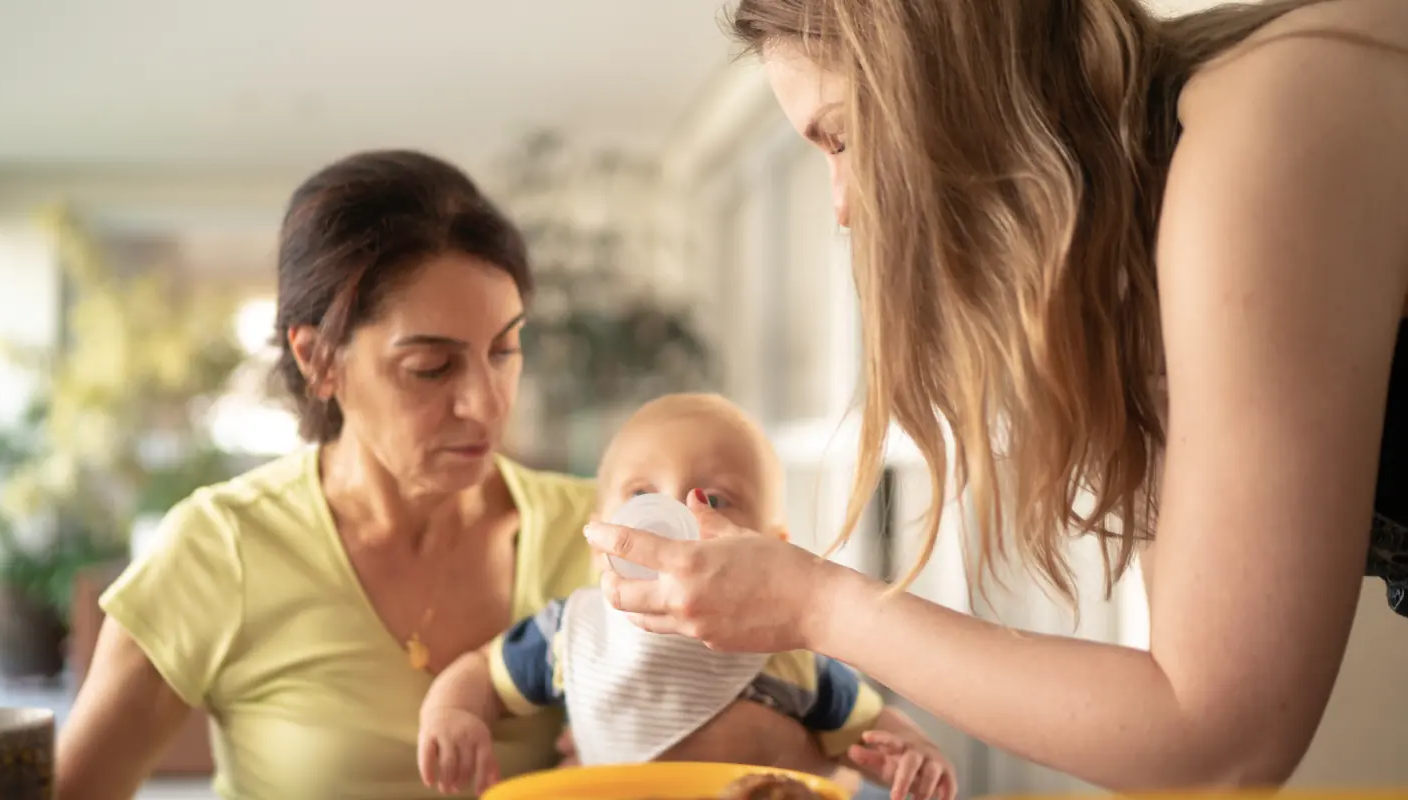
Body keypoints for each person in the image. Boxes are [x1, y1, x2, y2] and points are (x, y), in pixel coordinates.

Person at [584, 0, 1408, 792]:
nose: (839, 205)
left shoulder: (1261, 124)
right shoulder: (1147, 256)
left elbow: (1221, 746)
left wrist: (812, 603)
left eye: (840, 137)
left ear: (941, 78)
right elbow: (1182, 721)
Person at [0, 151, 828, 800]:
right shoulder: (221, 548)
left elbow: (791, 713)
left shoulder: (612, 537)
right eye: (431, 367)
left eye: (505, 351)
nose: (485, 405)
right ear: (320, 360)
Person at [416, 393, 955, 799]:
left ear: (771, 548)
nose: (674, 516)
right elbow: (483, 673)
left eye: (714, 498)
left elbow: (866, 724)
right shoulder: (572, 636)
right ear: (600, 533)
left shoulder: (783, 652)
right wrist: (453, 712)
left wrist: (912, 751)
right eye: (642, 494)